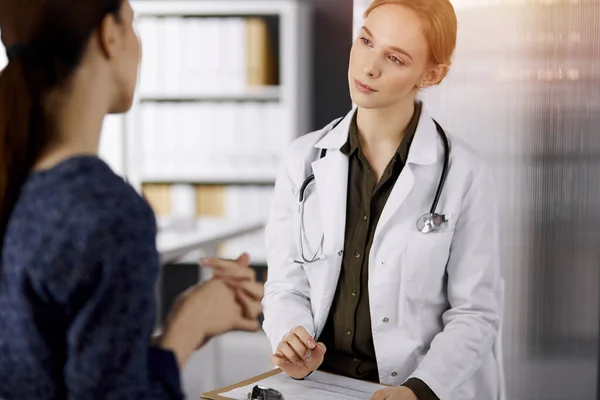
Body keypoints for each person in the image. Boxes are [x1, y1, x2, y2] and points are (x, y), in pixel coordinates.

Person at [234, 0, 502, 399]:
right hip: (323, 384)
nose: (368, 67)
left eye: (394, 58)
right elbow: (286, 284)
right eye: (365, 42)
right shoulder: (304, 159)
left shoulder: (465, 174)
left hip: (417, 389)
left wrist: (417, 389)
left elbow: (474, 314)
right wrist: (292, 335)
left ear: (432, 73)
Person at [0, 0, 263, 398]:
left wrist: (188, 317)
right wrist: (186, 331)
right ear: (109, 35)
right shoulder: (107, 212)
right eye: (133, 23)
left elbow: (69, 374)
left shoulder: (21, 186)